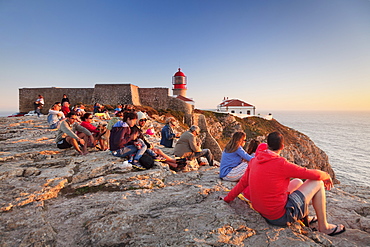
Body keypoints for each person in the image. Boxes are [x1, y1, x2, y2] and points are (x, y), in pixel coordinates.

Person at [223, 132, 346, 236]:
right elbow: (312, 174)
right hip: (279, 218)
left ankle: (304, 218)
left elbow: (242, 184)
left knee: (297, 182)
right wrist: (326, 175)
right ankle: (324, 227)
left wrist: (227, 199)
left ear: (268, 145)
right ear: (282, 146)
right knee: (317, 183)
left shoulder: (254, 160)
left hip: (262, 211)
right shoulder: (281, 164)